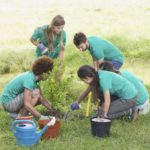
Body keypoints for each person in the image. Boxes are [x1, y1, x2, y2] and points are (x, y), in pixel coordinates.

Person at [71, 65, 138, 120]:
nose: (84, 82)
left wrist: (104, 116)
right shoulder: (95, 77)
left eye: (83, 80)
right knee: (99, 113)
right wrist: (77, 102)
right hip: (119, 96)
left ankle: (130, 111)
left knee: (103, 115)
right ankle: (115, 111)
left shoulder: (103, 79)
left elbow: (107, 101)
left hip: (129, 97)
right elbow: (86, 92)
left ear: (87, 77)